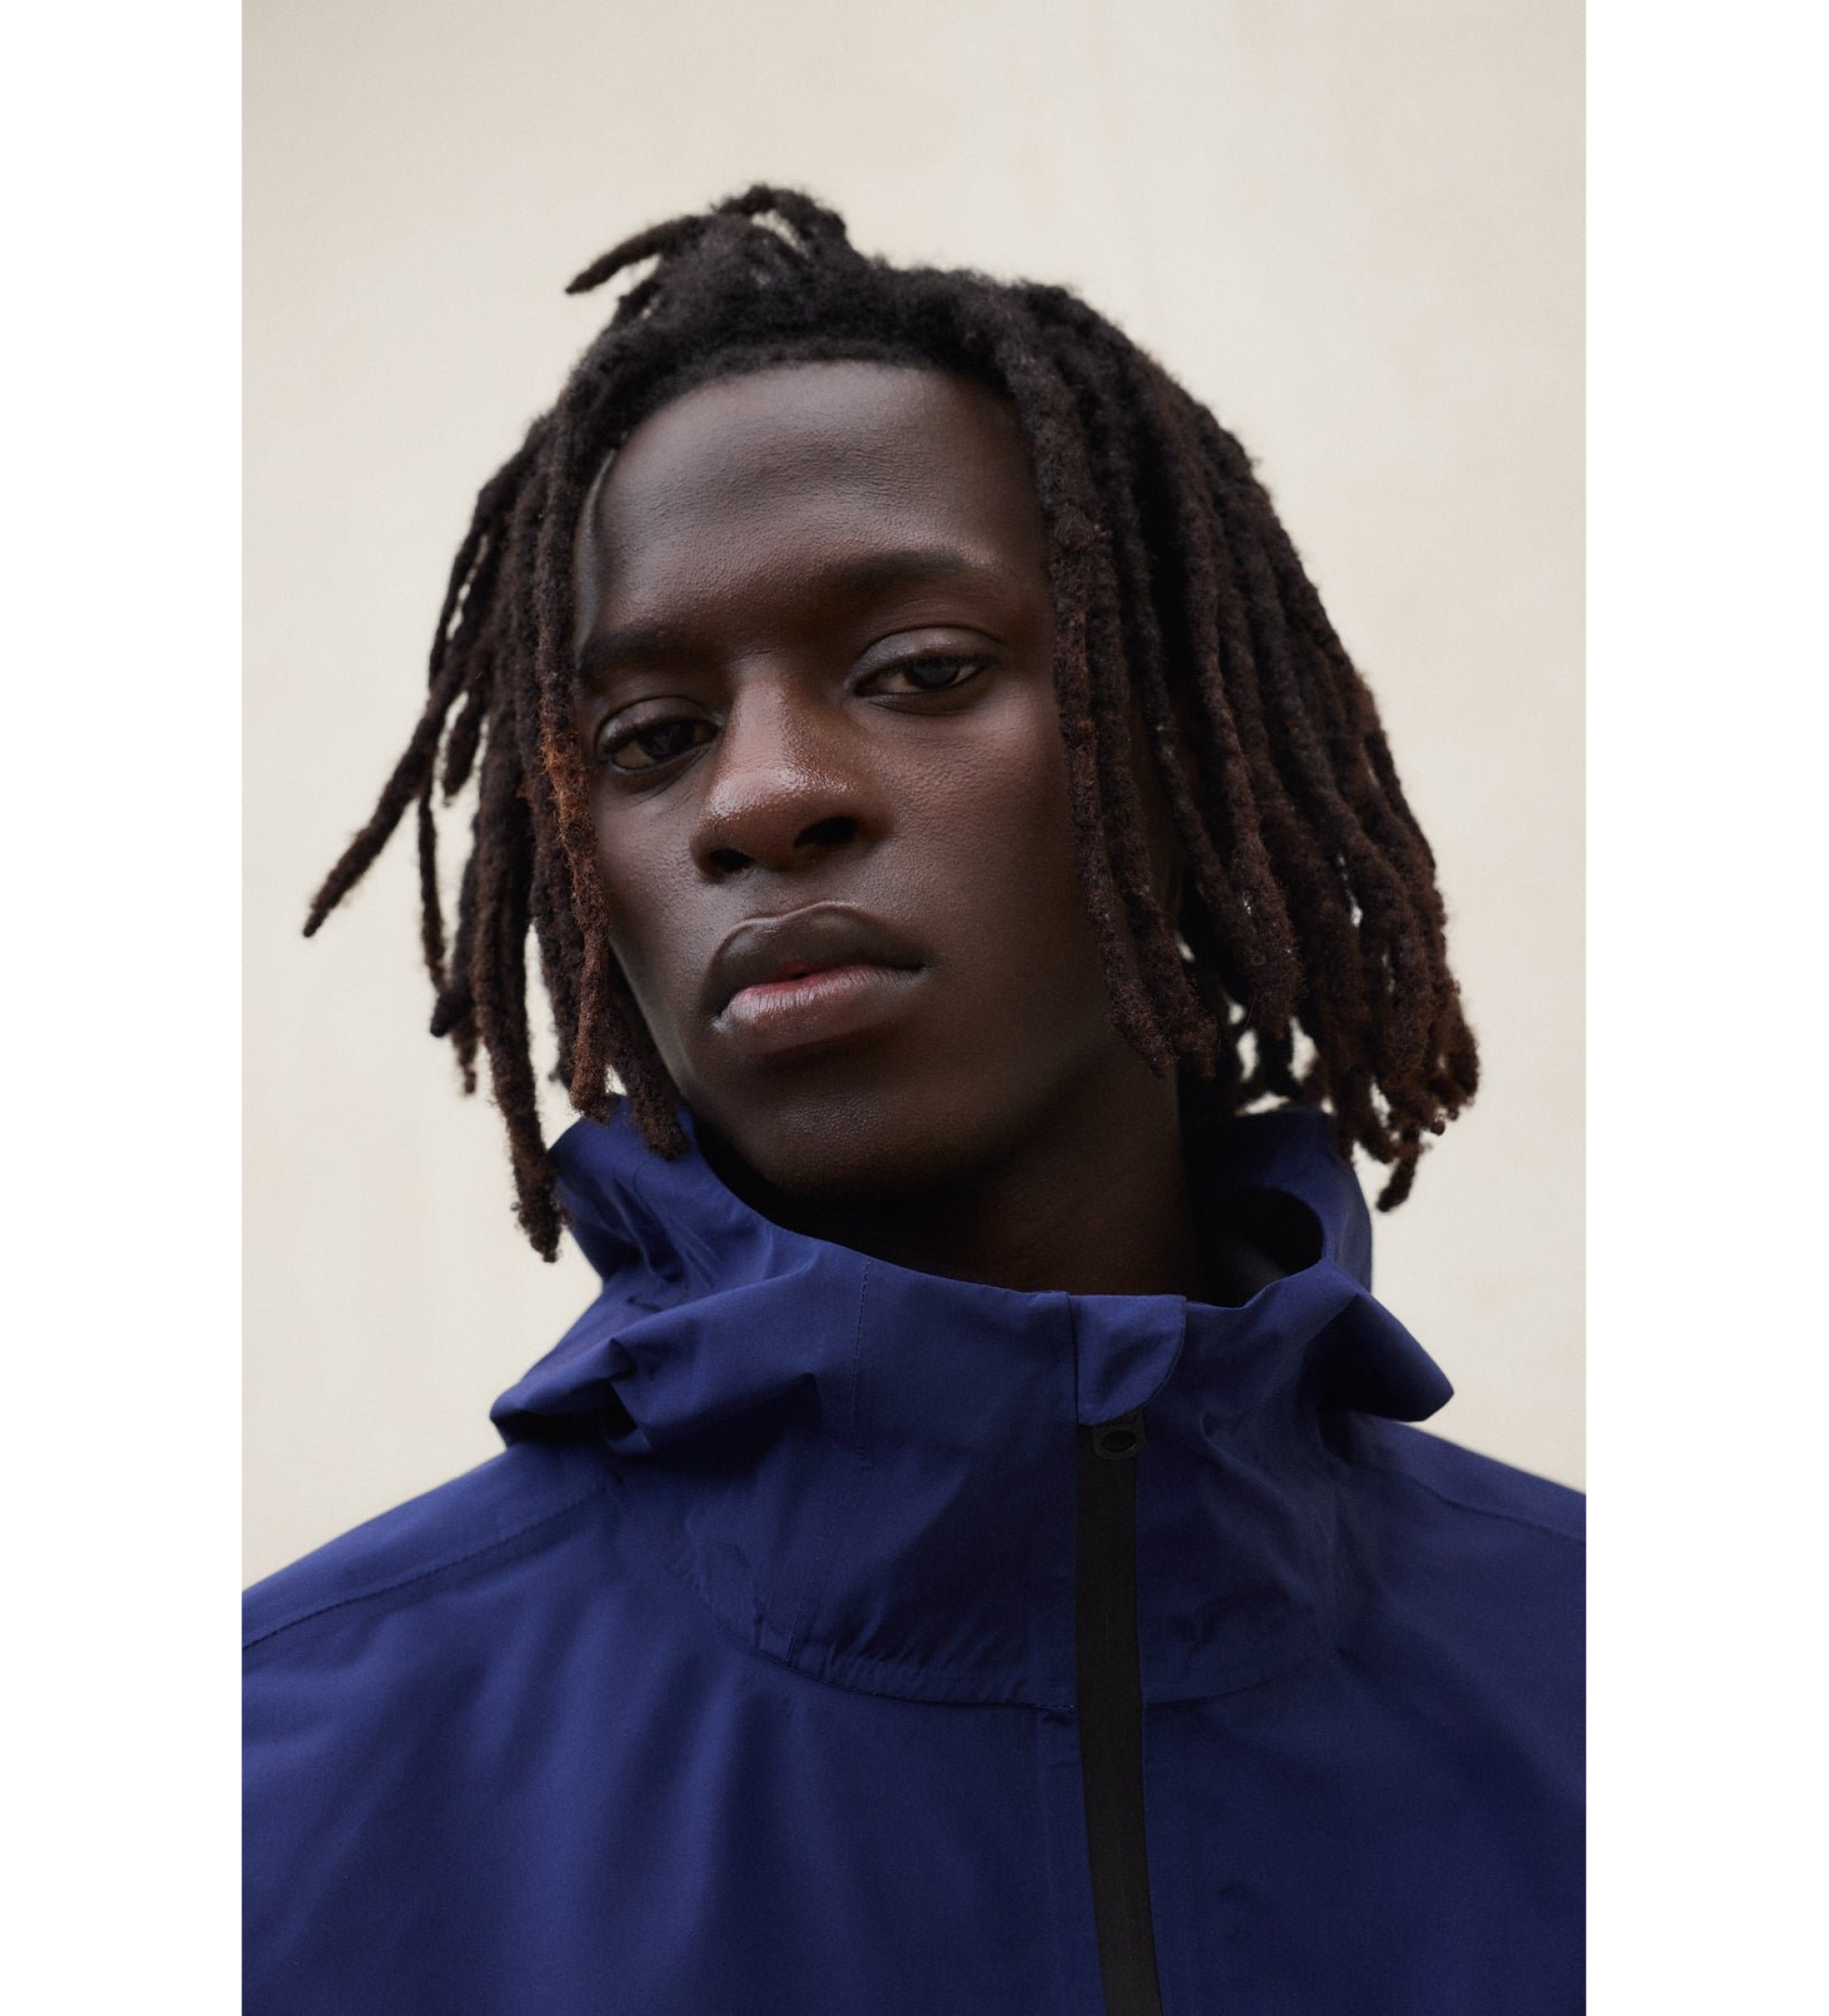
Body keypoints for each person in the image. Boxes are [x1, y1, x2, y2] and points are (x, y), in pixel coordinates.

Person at [243, 188, 1582, 2015]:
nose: (761, 796)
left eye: (920, 673)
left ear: (1184, 751)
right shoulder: (262, 1800)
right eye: (651, 740)